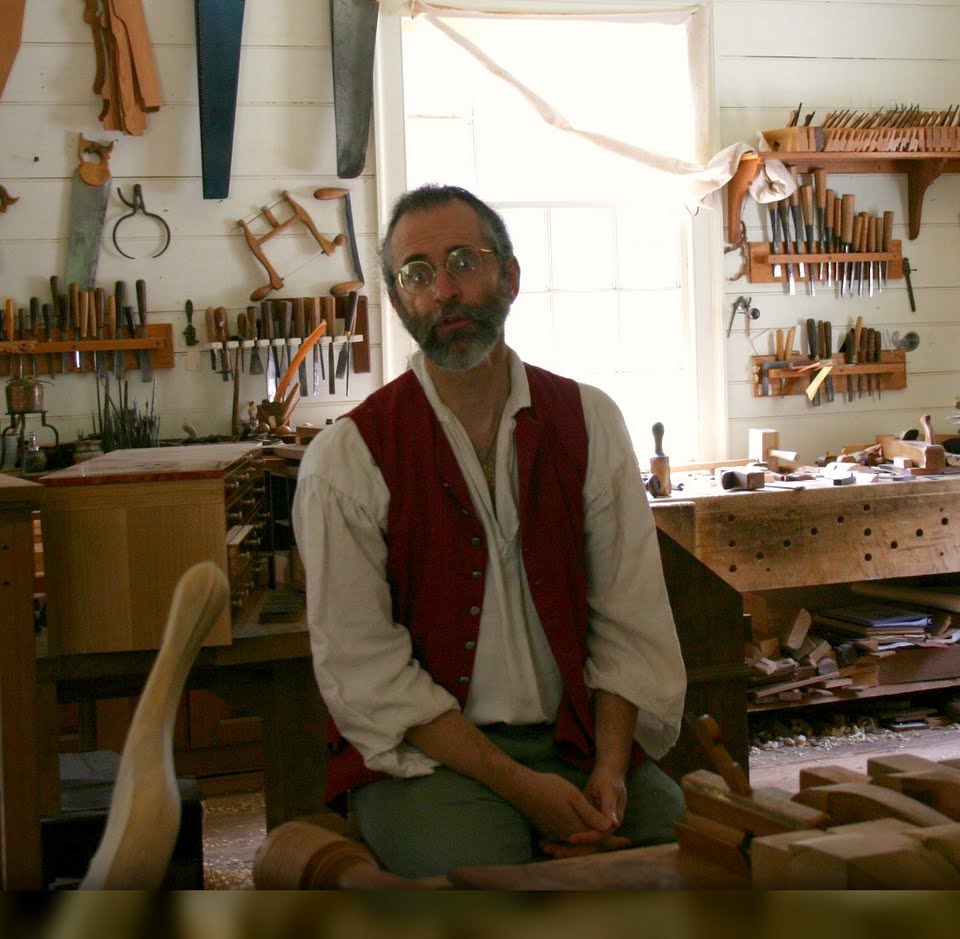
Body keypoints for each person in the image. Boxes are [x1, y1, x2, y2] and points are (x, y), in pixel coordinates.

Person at [293, 184, 688, 879]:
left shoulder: (589, 421)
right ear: (398, 300)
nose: (444, 290)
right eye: (417, 274)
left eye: (463, 262)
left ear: (509, 276)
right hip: (427, 762)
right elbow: (365, 668)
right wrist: (525, 791)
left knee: (686, 859)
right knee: (492, 881)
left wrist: (611, 770)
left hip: (579, 745)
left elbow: (631, 618)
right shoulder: (348, 459)